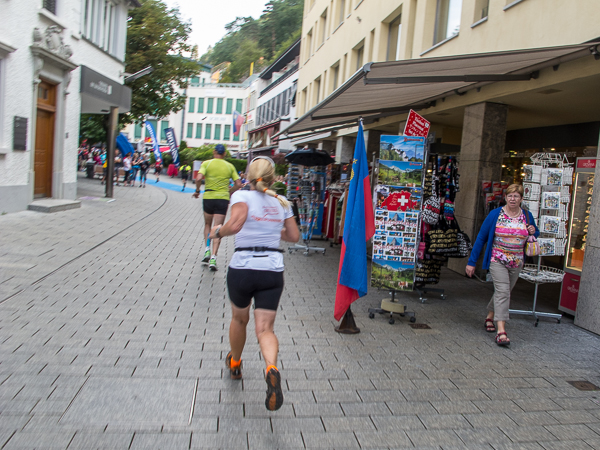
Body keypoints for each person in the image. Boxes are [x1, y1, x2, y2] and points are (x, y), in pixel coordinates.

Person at [208, 156, 300, 411]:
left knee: (239, 319)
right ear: (273, 177)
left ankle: (235, 363)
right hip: (272, 269)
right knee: (265, 329)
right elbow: (294, 236)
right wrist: (272, 230)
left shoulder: (241, 195)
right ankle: (271, 368)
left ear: (248, 176)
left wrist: (217, 231)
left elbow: (236, 224)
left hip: (243, 268)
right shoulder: (282, 201)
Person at [465, 184, 539, 346]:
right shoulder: (495, 214)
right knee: (504, 292)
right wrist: (472, 262)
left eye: (516, 196)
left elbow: (535, 233)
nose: (513, 199)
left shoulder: (527, 215)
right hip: (497, 259)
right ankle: (501, 331)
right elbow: (481, 238)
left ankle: (489, 317)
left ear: (521, 199)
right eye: (510, 196)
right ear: (505, 197)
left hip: (517, 262)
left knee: (503, 291)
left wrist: (534, 231)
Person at [192, 144, 241, 271]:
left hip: (208, 196)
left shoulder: (206, 164)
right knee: (218, 228)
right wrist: (229, 191)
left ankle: (207, 250)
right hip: (222, 199)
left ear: (214, 152)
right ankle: (213, 257)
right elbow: (238, 183)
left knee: (207, 224)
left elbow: (198, 178)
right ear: (224, 154)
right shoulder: (230, 166)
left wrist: (197, 190)